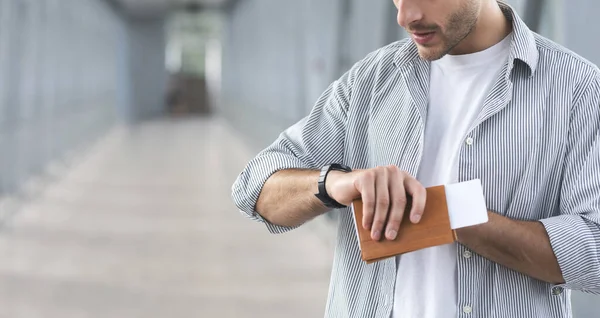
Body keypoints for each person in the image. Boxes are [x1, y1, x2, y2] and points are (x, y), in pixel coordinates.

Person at [231, 0, 600, 317]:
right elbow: (254, 188)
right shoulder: (370, 80)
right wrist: (337, 182)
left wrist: (444, 213)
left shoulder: (577, 89)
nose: (405, 15)